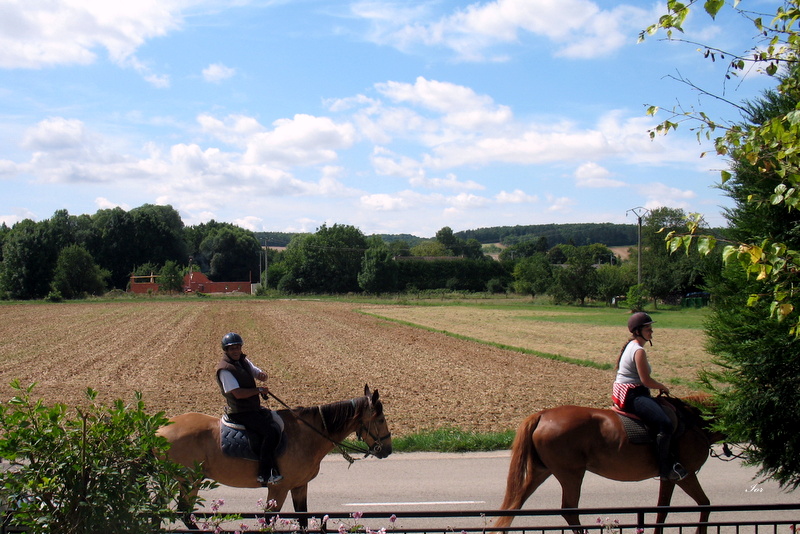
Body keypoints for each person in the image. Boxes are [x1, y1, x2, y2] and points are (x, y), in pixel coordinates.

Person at [612, 312, 688, 482]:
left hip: (628, 392)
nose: (651, 332)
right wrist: (662, 386)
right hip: (633, 395)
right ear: (638, 331)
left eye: (651, 328)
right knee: (665, 424)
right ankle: (665, 467)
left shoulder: (631, 345)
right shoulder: (638, 351)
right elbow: (646, 380)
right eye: (648, 329)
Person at [215, 332, 283, 486]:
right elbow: (238, 394)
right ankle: (264, 474)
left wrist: (261, 375)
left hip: (252, 408)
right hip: (240, 412)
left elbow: (254, 370)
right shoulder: (225, 370)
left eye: (238, 347)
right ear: (226, 350)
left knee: (276, 421)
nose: (236, 350)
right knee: (270, 432)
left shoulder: (242, 360)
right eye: (232, 348)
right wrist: (258, 390)